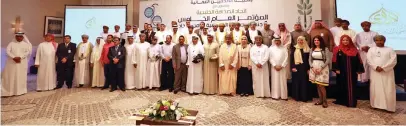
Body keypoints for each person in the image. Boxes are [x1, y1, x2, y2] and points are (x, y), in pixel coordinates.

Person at [367, 35, 397, 112]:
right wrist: (375, 67)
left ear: (384, 41)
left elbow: (393, 60)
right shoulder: (371, 49)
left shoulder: (390, 49)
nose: (379, 42)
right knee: (375, 88)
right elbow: (369, 59)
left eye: (381, 40)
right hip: (375, 72)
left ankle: (389, 107)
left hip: (387, 72)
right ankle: (375, 105)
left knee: (388, 88)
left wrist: (383, 68)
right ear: (374, 41)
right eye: (377, 40)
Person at [332, 35, 364, 107]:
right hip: (341, 72)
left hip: (352, 72)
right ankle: (341, 101)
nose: (345, 41)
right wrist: (336, 69)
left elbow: (359, 60)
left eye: (347, 40)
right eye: (343, 40)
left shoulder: (354, 49)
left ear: (349, 41)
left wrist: (359, 69)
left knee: (351, 86)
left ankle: (351, 102)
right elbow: (334, 59)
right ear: (341, 41)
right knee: (341, 85)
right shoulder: (337, 49)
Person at [1, 32, 32, 96]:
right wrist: (13, 57)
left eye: (20, 36)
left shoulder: (26, 44)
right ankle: (10, 91)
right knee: (11, 76)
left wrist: (20, 57)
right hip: (11, 63)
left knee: (20, 76)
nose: (19, 38)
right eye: (17, 36)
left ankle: (20, 91)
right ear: (15, 37)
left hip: (22, 63)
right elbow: (7, 51)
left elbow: (27, 52)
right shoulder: (11, 44)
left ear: (23, 37)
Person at [309, 35, 331, 108]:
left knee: (321, 85)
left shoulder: (325, 49)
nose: (316, 41)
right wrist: (312, 67)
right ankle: (320, 100)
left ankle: (325, 101)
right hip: (314, 67)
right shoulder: (312, 49)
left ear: (320, 41)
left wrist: (321, 68)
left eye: (317, 40)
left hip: (323, 67)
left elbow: (328, 60)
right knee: (318, 85)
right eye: (315, 40)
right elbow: (309, 59)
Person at [290, 36, 312, 102]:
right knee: (296, 82)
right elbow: (291, 59)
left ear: (304, 41)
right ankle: (297, 96)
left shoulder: (308, 49)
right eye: (299, 40)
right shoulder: (294, 48)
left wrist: (309, 69)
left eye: (302, 40)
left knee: (304, 82)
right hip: (296, 67)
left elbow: (309, 60)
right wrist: (292, 67)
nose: (300, 41)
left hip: (305, 68)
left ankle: (304, 97)